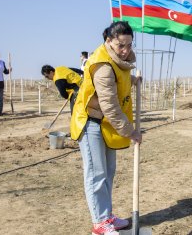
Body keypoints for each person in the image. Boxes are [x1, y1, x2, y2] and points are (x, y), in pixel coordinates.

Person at [70, 21, 142, 235]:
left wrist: (133, 81)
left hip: (105, 124)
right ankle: (99, 223)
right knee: (96, 173)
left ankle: (107, 215)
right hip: (90, 122)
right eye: (121, 45)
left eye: (129, 45)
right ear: (108, 41)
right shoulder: (102, 65)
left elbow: (119, 79)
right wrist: (131, 131)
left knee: (108, 171)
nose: (126, 49)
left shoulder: (118, 60)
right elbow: (109, 105)